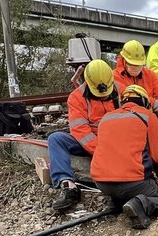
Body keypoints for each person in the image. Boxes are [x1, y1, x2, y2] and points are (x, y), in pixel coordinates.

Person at [90, 85, 158, 229]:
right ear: (145, 102)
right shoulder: (147, 116)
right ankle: (140, 204)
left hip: (101, 183)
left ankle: (117, 201)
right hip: (132, 183)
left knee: (124, 187)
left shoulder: (106, 118)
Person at [48, 59, 118, 210]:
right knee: (56, 139)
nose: (104, 96)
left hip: (117, 142)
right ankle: (68, 185)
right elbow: (81, 131)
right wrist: (101, 151)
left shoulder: (122, 90)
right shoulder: (76, 98)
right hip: (92, 144)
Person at [113, 40, 158, 121]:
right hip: (127, 119)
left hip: (150, 119)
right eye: (132, 64)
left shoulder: (150, 74)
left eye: (138, 65)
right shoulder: (115, 77)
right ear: (123, 60)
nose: (135, 67)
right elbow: (129, 97)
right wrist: (153, 103)